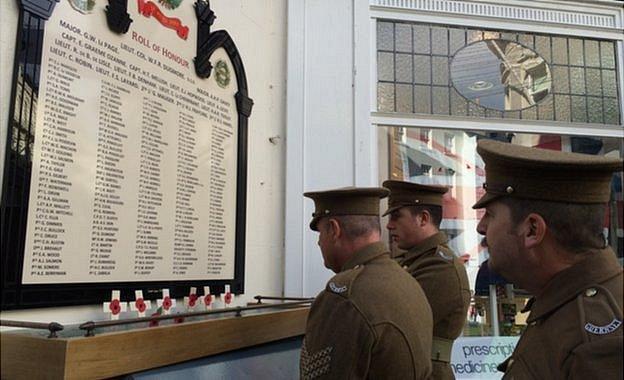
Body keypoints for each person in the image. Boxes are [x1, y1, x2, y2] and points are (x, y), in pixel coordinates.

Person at [473, 139, 623, 378]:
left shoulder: (594, 339)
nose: (481, 227)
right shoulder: (564, 304)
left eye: (490, 214)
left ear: (532, 230)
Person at [300, 187, 433, 379]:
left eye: (320, 233)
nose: (319, 243)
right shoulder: (405, 279)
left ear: (334, 230)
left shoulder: (344, 297)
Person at [383, 180, 471, 380]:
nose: (389, 225)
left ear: (423, 218)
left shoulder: (441, 267)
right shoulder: (410, 261)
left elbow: (393, 323)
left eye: (396, 217)